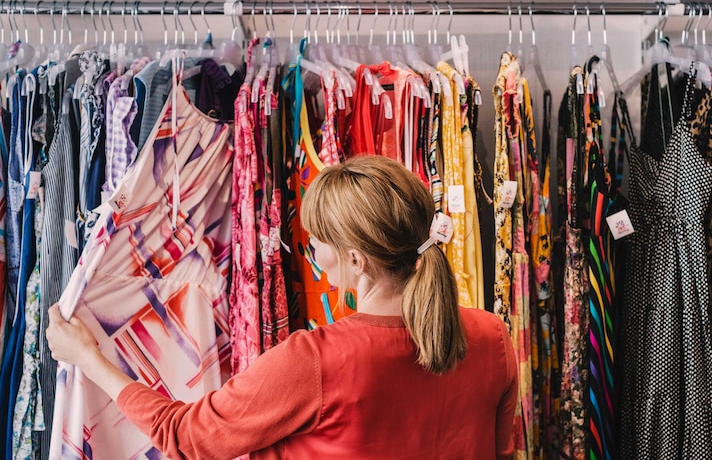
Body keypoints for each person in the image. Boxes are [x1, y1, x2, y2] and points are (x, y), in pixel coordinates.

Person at [47, 155, 518, 459]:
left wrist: (90, 359)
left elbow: (188, 437)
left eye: (317, 243)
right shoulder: (493, 338)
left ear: (356, 258)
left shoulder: (316, 361)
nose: (313, 254)